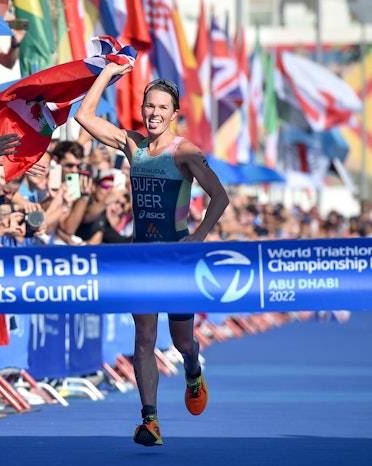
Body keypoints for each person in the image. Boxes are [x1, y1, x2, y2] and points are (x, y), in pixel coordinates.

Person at [75, 67, 229, 447]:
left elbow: (220, 196)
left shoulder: (185, 152)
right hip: (141, 257)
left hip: (176, 261)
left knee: (182, 341)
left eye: (162, 107)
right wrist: (107, 72)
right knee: (144, 337)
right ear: (142, 109)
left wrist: (198, 236)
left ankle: (193, 370)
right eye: (149, 106)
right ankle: (150, 421)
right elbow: (83, 116)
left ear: (174, 113)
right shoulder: (134, 146)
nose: (154, 113)